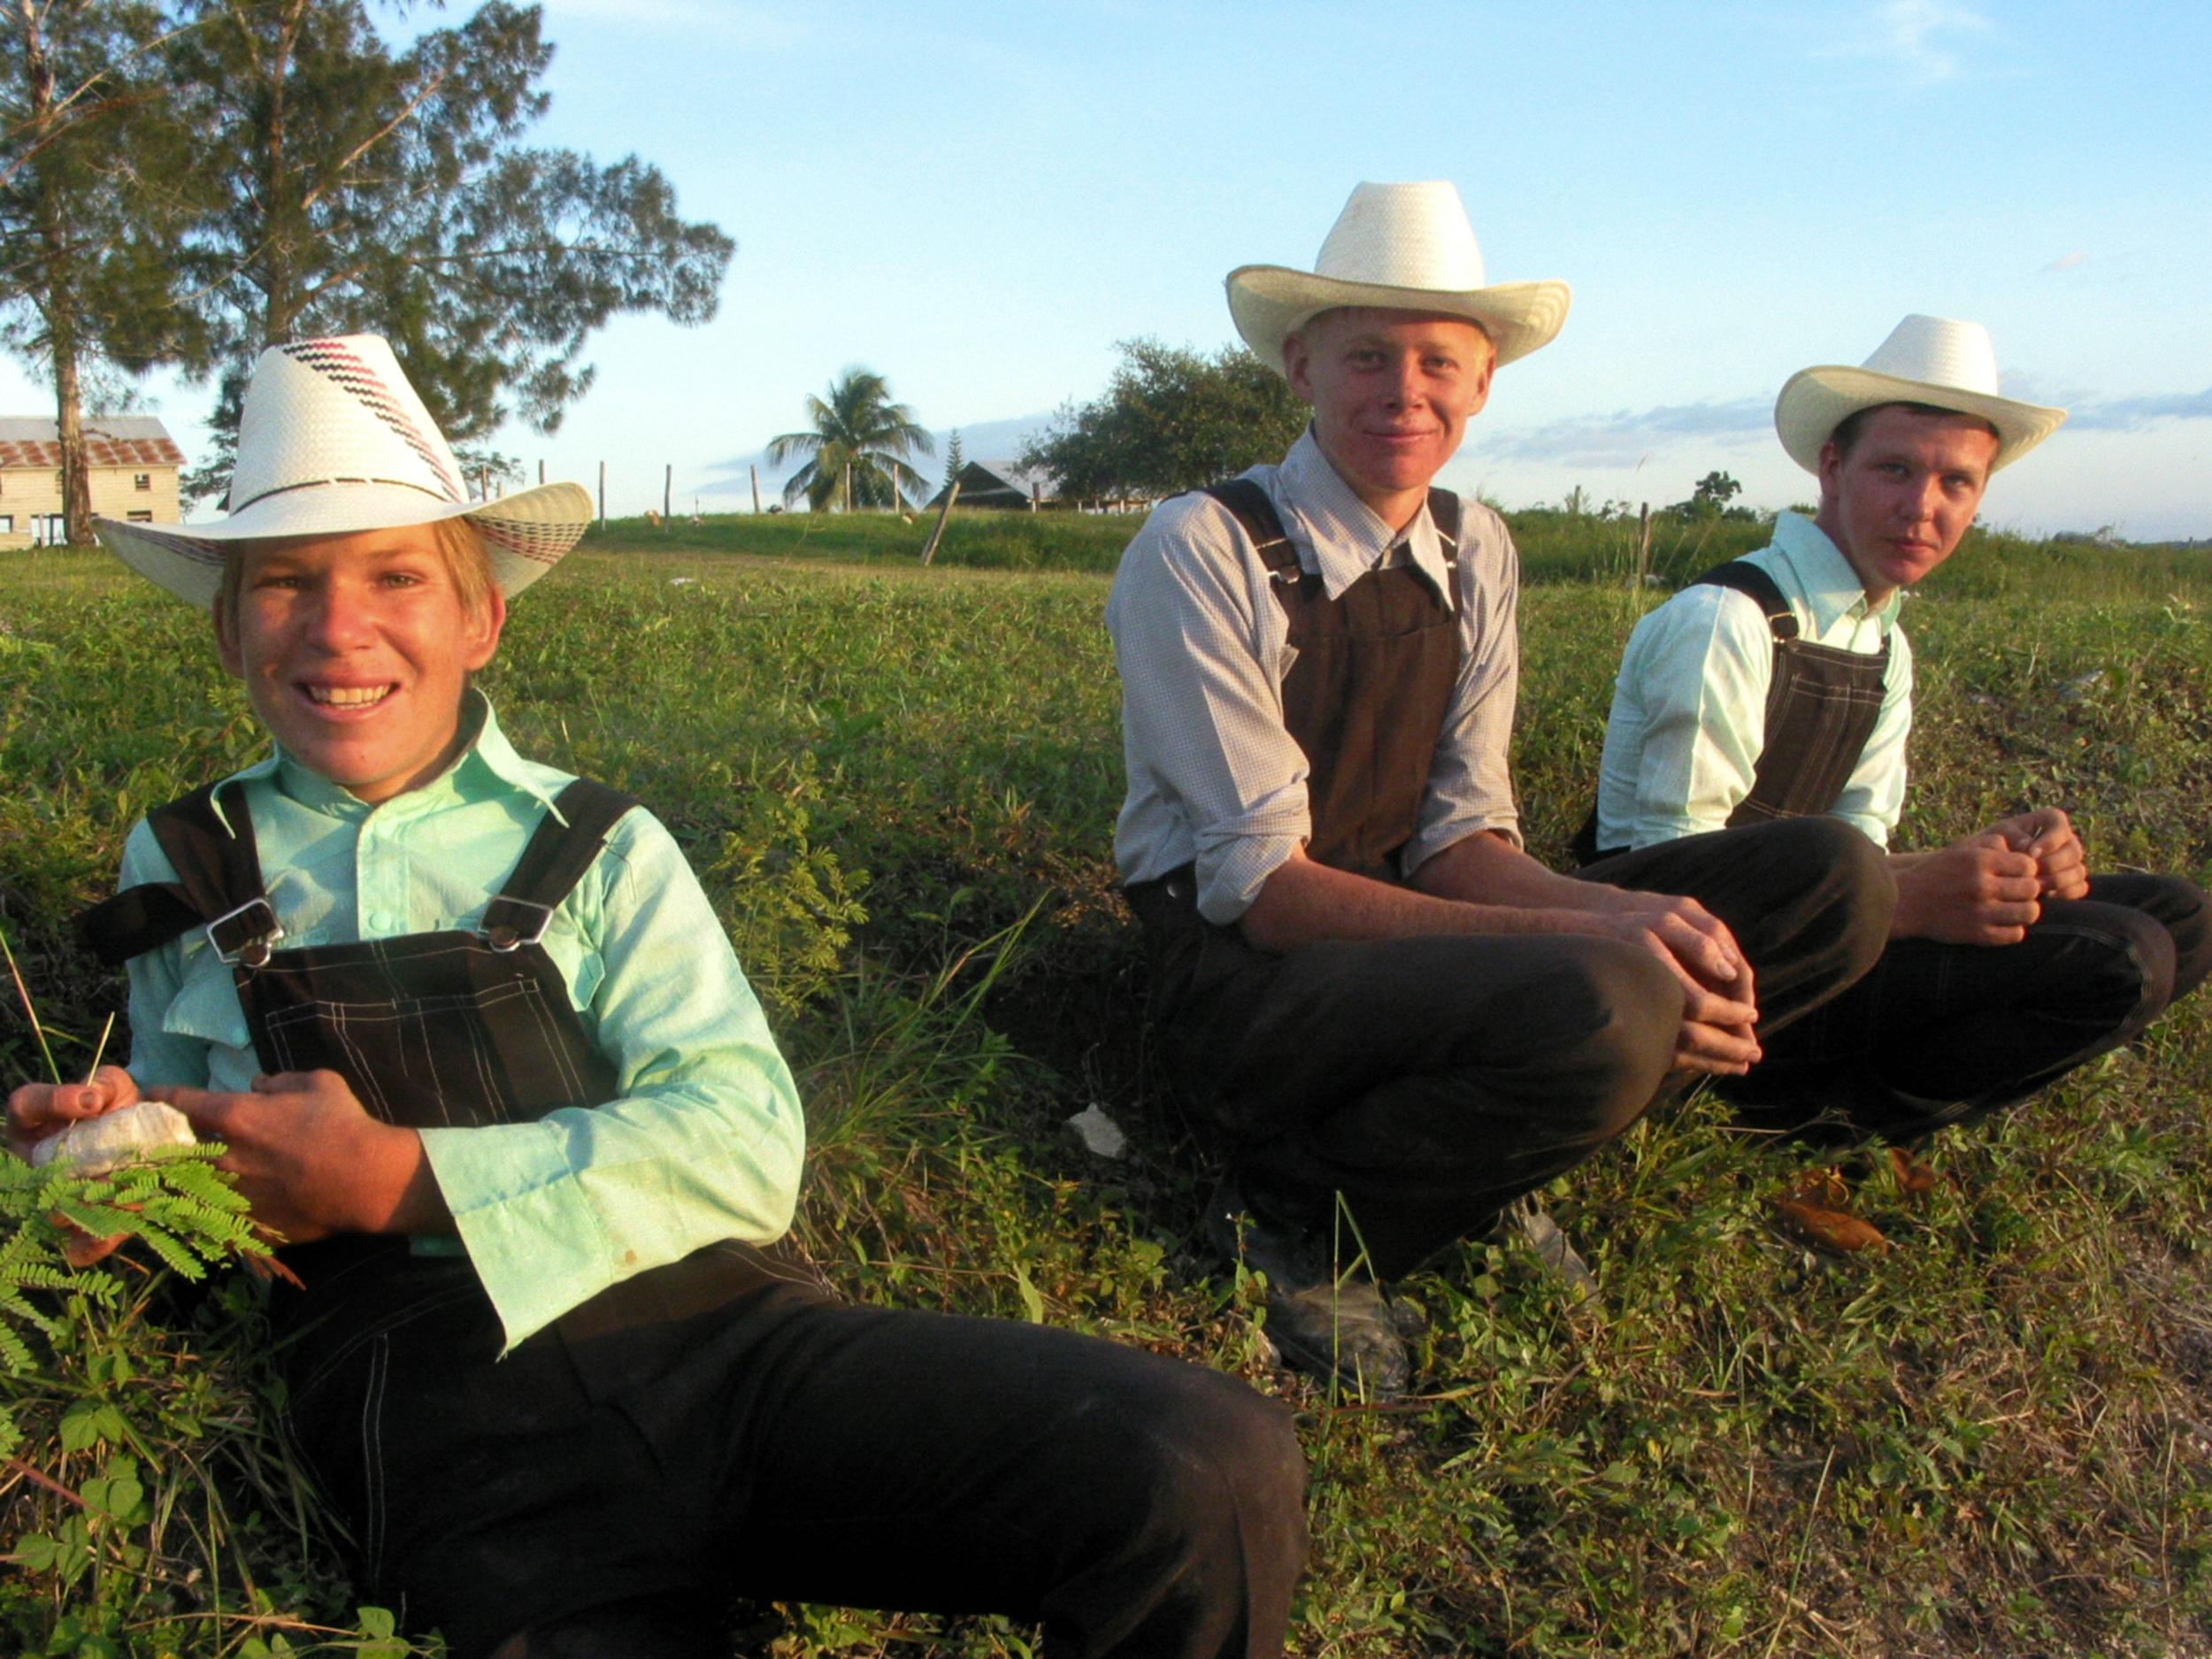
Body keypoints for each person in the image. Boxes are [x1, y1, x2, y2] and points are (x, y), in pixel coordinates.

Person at [5, 335, 1306, 1659]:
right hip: (455, 1442)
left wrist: (399, 1174)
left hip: (729, 1343)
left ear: (479, 617)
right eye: (286, 581)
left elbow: (746, 1135)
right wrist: (106, 1164)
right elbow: (204, 1177)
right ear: (229, 623)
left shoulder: (598, 841)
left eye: (397, 573)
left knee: (1204, 1463)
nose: (341, 626)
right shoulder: (180, 861)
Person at [1107, 182, 1893, 1395]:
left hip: (1398, 943)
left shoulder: (1480, 549)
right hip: (1247, 982)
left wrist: (1618, 920)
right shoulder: (1204, 546)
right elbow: (1264, 891)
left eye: (1439, 361)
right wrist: (1595, 931)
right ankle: (1306, 1215)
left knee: (1830, 884)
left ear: (1483, 385)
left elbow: (1462, 832)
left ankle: (1478, 1155)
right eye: (1368, 355)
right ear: (1302, 365)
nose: (1402, 390)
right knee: (1612, 990)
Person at [1588, 312, 2209, 1159]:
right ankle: (1800, 1122)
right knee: (2122, 954)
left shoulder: (1884, 643)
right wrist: (1915, 893)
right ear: (1832, 467)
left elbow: (1863, 843)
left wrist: (2000, 872)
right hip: (1688, 986)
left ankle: (1841, 1111)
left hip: (1811, 948)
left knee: (2181, 917)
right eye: (1896, 469)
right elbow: (1667, 878)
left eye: (1956, 482)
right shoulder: (1727, 621)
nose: (1923, 507)